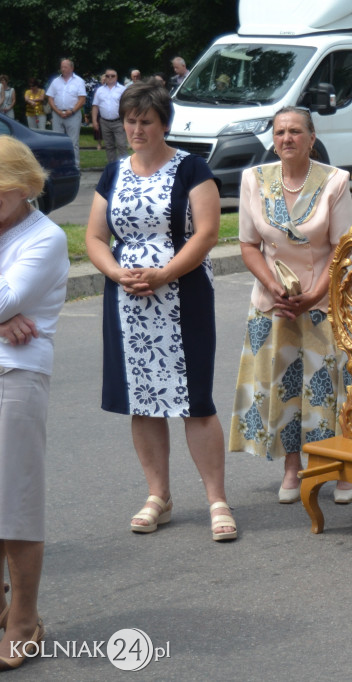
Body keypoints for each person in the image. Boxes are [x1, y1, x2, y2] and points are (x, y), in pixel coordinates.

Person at [84, 83, 237, 541]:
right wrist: (116, 273)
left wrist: (164, 273)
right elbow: (94, 237)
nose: (135, 129)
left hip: (182, 293)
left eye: (145, 121)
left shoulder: (192, 168)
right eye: (130, 121)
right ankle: (159, 497)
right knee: (142, 399)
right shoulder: (113, 173)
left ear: (164, 124)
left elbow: (206, 233)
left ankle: (217, 499)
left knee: (194, 400)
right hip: (128, 300)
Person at [228, 107, 352, 505]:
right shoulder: (253, 179)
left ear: (311, 137)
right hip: (274, 304)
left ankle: (338, 467)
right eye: (280, 131)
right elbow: (249, 245)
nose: (287, 138)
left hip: (325, 302)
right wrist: (273, 287)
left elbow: (343, 248)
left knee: (328, 387)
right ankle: (291, 466)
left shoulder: (335, 181)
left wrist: (314, 297)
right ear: (273, 138)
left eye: (296, 131)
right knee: (284, 385)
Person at [0, 137, 69, 672]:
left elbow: (9, 297)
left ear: (24, 189)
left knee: (15, 503)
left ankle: (24, 618)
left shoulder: (43, 238)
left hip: (15, 375)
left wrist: (5, 312)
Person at [45, 59, 87, 167]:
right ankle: (59, 166)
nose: (63, 69)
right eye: (62, 67)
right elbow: (50, 97)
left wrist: (72, 111)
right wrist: (57, 111)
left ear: (71, 68)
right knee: (57, 141)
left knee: (73, 143)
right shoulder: (55, 81)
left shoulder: (79, 81)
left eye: (65, 67)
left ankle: (74, 166)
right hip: (58, 114)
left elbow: (82, 99)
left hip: (73, 114)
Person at [91, 68, 129, 163]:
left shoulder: (122, 89)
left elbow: (128, 106)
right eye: (108, 76)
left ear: (116, 77)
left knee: (121, 145)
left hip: (119, 121)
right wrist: (94, 121)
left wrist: (127, 121)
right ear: (105, 77)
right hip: (104, 122)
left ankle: (124, 167)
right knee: (109, 146)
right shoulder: (99, 90)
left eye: (113, 76)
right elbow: (95, 106)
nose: (110, 78)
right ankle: (112, 167)